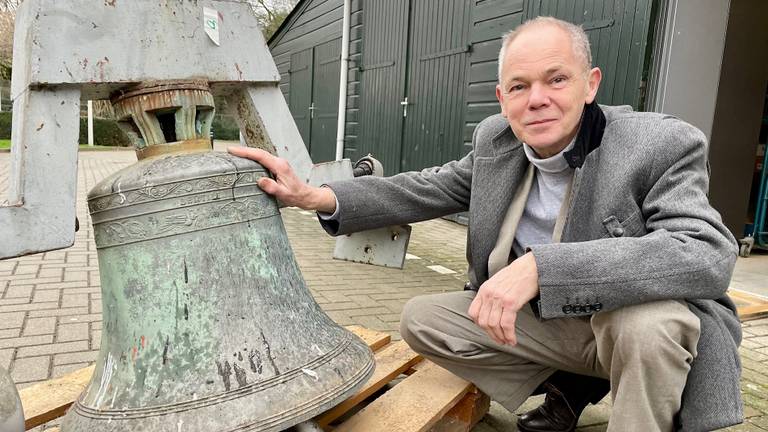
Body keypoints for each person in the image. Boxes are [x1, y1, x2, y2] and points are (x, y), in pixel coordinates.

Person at [229, 17, 742, 432]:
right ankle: (572, 385)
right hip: (557, 329)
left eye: (556, 79)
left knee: (646, 327)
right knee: (422, 319)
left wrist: (543, 268)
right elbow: (426, 188)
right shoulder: (496, 142)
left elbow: (704, 252)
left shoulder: (658, 144)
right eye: (520, 86)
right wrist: (315, 195)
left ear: (591, 84)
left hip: (633, 326)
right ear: (503, 98)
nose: (536, 98)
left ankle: (639, 408)